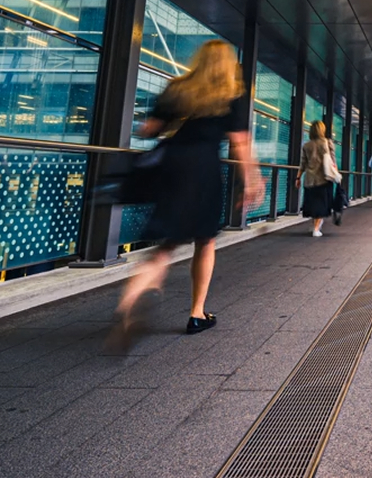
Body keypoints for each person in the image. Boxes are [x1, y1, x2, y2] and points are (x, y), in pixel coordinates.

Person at [110, 40, 261, 350]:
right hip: (203, 168)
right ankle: (197, 313)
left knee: (167, 243)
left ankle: (131, 298)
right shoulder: (231, 95)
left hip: (172, 165)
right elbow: (240, 144)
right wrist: (252, 181)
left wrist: (165, 123)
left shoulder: (178, 88)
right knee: (205, 240)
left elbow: (149, 129)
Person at [299, 120, 337, 237]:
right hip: (324, 179)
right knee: (321, 204)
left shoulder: (306, 145)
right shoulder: (327, 143)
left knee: (314, 204)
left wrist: (298, 178)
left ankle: (316, 225)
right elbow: (333, 163)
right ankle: (316, 228)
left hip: (310, 179)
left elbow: (303, 164)